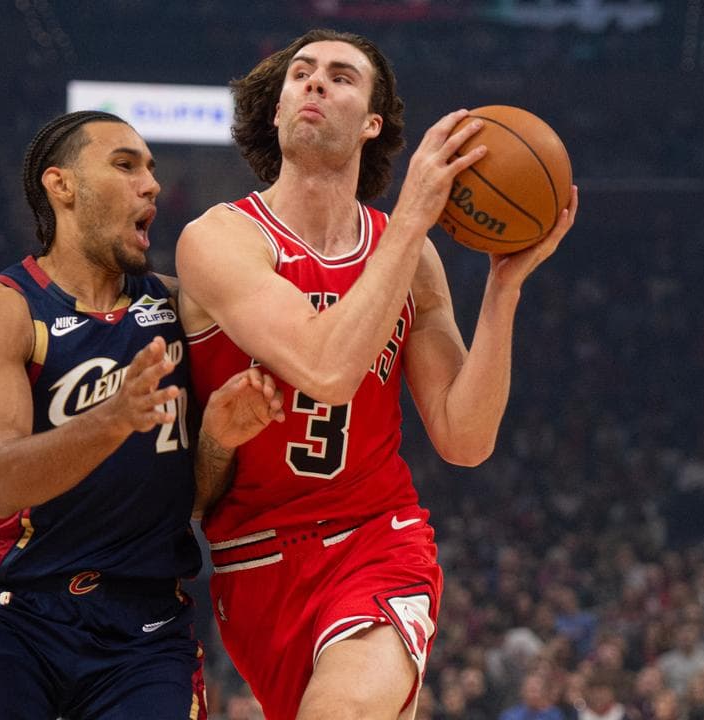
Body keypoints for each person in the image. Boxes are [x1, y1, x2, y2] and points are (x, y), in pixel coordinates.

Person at [176, 28, 579, 720]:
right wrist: (415, 219)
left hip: (376, 538)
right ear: (275, 111)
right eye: (300, 73)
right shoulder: (221, 238)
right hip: (251, 562)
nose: (314, 83)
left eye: (341, 76)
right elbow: (324, 367)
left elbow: (465, 436)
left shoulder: (410, 259)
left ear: (372, 123)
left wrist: (503, 289)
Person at [0, 110, 283, 720]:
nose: (151, 184)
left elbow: (200, 502)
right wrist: (114, 417)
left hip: (147, 623)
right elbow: (0, 483)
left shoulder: (181, 306)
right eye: (126, 165)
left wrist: (218, 439)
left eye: (152, 171)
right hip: (15, 607)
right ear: (62, 185)